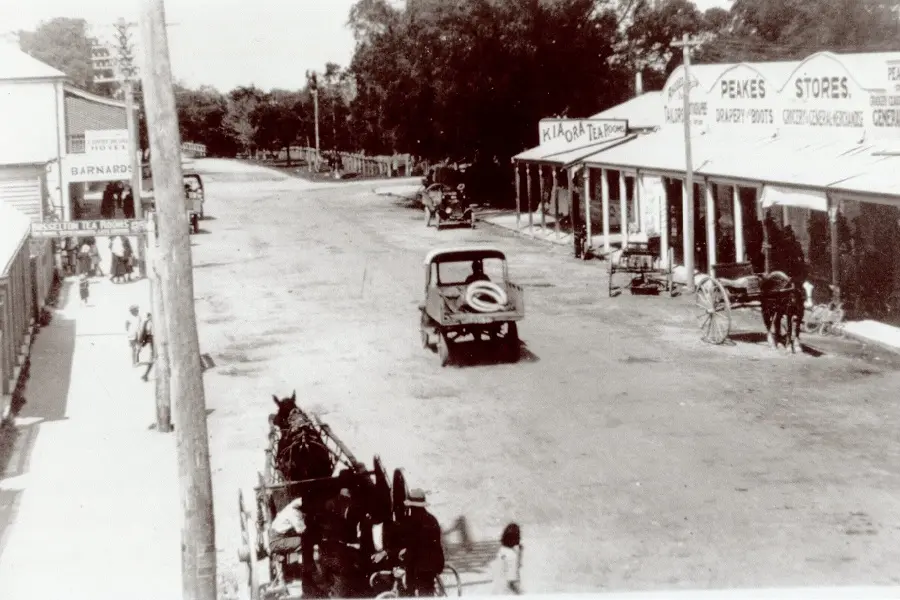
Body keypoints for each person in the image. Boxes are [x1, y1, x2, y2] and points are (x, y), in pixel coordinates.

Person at [394, 488, 445, 597]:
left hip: (419, 566)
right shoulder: (432, 519)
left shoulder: (410, 521)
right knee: (426, 592)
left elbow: (411, 546)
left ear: (411, 505)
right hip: (434, 563)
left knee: (409, 589)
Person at [491, 523, 523, 595]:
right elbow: (511, 582)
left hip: (498, 589)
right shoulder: (511, 555)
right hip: (507, 592)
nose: (520, 538)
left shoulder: (502, 551)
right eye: (518, 536)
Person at [139, 313, 154, 381]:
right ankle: (146, 375)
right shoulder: (146, 323)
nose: (149, 318)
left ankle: (146, 375)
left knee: (152, 359)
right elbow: (143, 333)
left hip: (154, 342)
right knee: (152, 359)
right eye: (148, 317)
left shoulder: (154, 322)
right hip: (151, 343)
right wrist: (141, 342)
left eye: (150, 317)